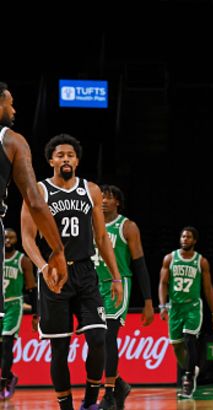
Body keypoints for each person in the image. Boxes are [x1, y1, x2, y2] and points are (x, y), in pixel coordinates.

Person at [21, 133, 123, 410]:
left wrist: (115, 276)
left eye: (70, 155)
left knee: (98, 338)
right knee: (60, 348)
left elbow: (101, 238)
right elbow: (27, 238)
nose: (65, 159)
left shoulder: (91, 190)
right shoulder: (38, 191)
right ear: (51, 161)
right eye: (60, 155)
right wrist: (43, 267)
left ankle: (90, 401)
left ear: (77, 161)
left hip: (85, 271)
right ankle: (65, 406)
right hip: (54, 274)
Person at [0, 81, 67, 341]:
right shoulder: (12, 140)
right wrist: (58, 250)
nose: (14, 110)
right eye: (10, 104)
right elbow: (35, 201)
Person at [93, 185, 155, 408]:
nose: (104, 201)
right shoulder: (91, 224)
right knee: (96, 340)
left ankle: (109, 393)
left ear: (118, 202)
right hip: (94, 286)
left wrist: (148, 301)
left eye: (109, 198)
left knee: (108, 337)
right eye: (101, 197)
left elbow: (139, 264)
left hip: (117, 285)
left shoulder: (127, 227)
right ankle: (119, 384)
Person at [159, 226, 213, 399]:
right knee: (176, 346)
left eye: (189, 237)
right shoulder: (170, 258)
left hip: (192, 307)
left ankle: (188, 379)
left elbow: (208, 288)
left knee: (189, 339)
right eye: (183, 236)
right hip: (175, 307)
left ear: (194, 241)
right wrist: (162, 306)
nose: (185, 239)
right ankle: (191, 369)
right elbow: (163, 283)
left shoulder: (201, 261)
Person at [1, 227, 34, 398]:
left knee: (7, 344)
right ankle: (10, 376)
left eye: (11, 238)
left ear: (16, 240)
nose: (8, 240)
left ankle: (3, 383)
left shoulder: (23, 260)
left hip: (13, 305)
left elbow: (31, 287)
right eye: (5, 237)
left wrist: (36, 311)